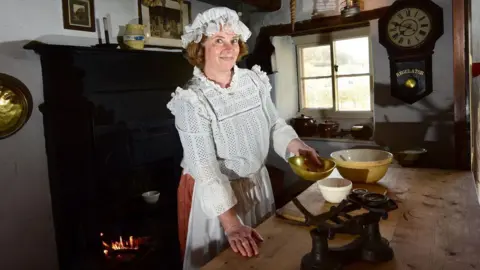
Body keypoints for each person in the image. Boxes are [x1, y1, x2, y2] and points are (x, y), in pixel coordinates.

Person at [166, 7, 321, 270]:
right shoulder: (191, 101)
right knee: (225, 261)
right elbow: (206, 170)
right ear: (200, 47)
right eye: (218, 40)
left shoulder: (253, 81)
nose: (229, 47)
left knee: (263, 257)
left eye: (234, 40)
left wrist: (296, 145)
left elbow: (274, 125)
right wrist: (231, 223)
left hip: (257, 183)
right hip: (215, 197)